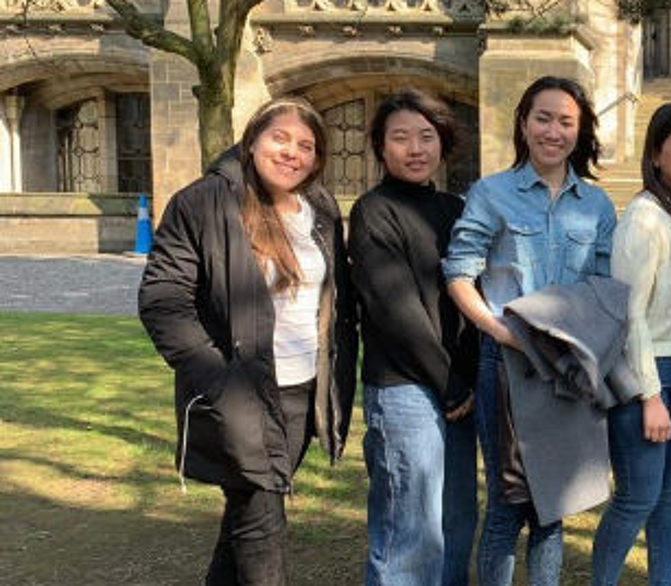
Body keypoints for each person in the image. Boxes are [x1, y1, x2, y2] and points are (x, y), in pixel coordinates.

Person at [138, 96, 357, 585]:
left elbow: (336, 302)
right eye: (280, 137)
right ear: (253, 139)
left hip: (301, 392)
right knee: (262, 526)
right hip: (240, 391)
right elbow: (162, 299)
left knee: (246, 515)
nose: (291, 153)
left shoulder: (319, 207)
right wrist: (217, 378)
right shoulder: (204, 202)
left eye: (306, 145)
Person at [441, 75, 616, 586]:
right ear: (523, 123)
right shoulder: (492, 193)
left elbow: (603, 287)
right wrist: (497, 332)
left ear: (579, 132)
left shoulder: (597, 206)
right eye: (543, 118)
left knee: (552, 505)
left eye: (566, 121)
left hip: (566, 367)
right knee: (507, 503)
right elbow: (458, 272)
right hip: (508, 364)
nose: (553, 131)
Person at [349, 88, 479, 586]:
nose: (415, 148)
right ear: (381, 147)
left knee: (456, 519)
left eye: (426, 137)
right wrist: (450, 383)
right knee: (411, 527)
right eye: (400, 138)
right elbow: (393, 308)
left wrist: (466, 378)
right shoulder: (373, 211)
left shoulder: (456, 208)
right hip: (406, 387)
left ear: (443, 144)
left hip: (459, 390)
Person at [589, 103, 671, 586]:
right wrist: (650, 396)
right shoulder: (643, 219)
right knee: (636, 498)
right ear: (656, 154)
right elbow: (630, 314)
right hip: (651, 374)